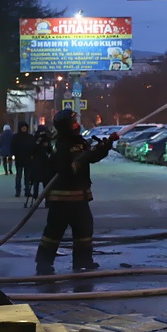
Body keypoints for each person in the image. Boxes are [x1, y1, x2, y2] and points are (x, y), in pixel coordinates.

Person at [35, 109, 117, 275]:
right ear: (66, 126)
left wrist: (106, 145)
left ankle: (83, 261)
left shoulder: (78, 141)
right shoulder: (60, 144)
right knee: (53, 232)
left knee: (84, 230)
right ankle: (43, 264)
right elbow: (67, 168)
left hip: (79, 197)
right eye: (73, 123)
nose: (77, 125)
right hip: (61, 199)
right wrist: (84, 157)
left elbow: (91, 156)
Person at [29, 125, 53, 205]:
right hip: (37, 163)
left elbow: (50, 150)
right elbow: (32, 150)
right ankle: (35, 199)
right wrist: (38, 142)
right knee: (36, 182)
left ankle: (47, 200)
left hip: (45, 163)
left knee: (46, 183)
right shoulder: (35, 138)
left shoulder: (47, 138)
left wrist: (47, 145)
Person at [11, 121, 35, 198]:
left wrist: (32, 155)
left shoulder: (30, 137)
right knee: (19, 176)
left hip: (28, 159)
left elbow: (33, 147)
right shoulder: (16, 137)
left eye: (25, 127)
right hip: (19, 159)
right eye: (22, 127)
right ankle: (18, 191)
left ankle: (27, 191)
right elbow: (13, 147)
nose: (24, 128)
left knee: (27, 177)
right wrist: (14, 155)